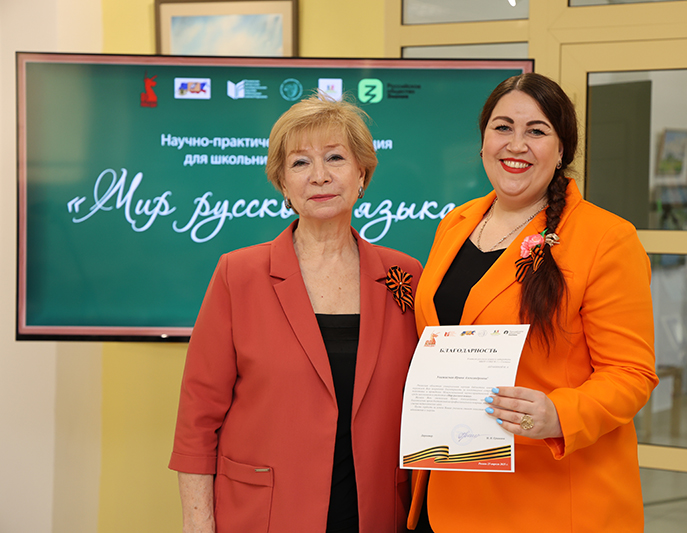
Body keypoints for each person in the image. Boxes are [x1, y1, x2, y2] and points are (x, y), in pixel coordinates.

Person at [408, 73, 659, 532]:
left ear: (562, 150)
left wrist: (559, 414)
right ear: (483, 142)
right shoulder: (455, 223)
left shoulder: (606, 238)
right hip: (450, 487)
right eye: (502, 127)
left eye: (536, 131)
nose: (516, 144)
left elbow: (631, 373)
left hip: (550, 501)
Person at [169, 94, 422, 533]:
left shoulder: (405, 275)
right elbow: (198, 415)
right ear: (283, 184)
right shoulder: (237, 274)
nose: (319, 175)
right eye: (301, 163)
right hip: (265, 514)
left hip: (378, 512)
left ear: (362, 174)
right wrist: (197, 521)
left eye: (335, 157)